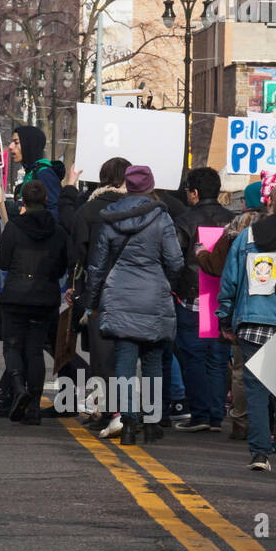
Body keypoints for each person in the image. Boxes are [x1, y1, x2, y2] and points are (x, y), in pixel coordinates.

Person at [85, 165, 183, 445]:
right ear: (151, 186)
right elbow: (175, 261)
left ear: (127, 186)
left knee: (124, 362)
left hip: (119, 295)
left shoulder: (110, 219)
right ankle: (152, 423)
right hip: (154, 294)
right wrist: (165, 282)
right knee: (153, 360)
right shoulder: (162, 218)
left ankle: (128, 422)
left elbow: (98, 266)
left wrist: (92, 302)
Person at [216, 179, 276, 472]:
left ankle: (260, 454)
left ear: (270, 202)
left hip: (251, 322)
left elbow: (230, 281)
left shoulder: (247, 237)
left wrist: (224, 319)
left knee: (255, 390)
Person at [0, 179, 69, 425]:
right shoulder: (58, 230)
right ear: (46, 200)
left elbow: (3, 261)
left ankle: (18, 390)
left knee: (13, 347)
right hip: (45, 295)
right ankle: (34, 406)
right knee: (35, 350)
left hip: (16, 295)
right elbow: (62, 266)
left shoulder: (14, 227)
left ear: (23, 201)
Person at [171, 168, 235, 433]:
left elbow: (174, 259)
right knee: (218, 358)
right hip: (222, 298)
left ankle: (200, 414)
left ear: (194, 193)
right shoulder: (234, 220)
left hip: (192, 298)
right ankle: (217, 415)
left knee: (193, 356)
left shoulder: (184, 220)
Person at [70, 157, 130, 437]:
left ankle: (105, 410)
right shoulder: (137, 208)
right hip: (132, 288)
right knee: (128, 354)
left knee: (101, 354)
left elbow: (79, 252)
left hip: (98, 289)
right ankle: (132, 411)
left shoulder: (88, 210)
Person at [8, 126, 61, 221]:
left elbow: (54, 212)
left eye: (16, 142)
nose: (10, 146)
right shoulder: (30, 172)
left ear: (28, 145)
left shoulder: (44, 173)